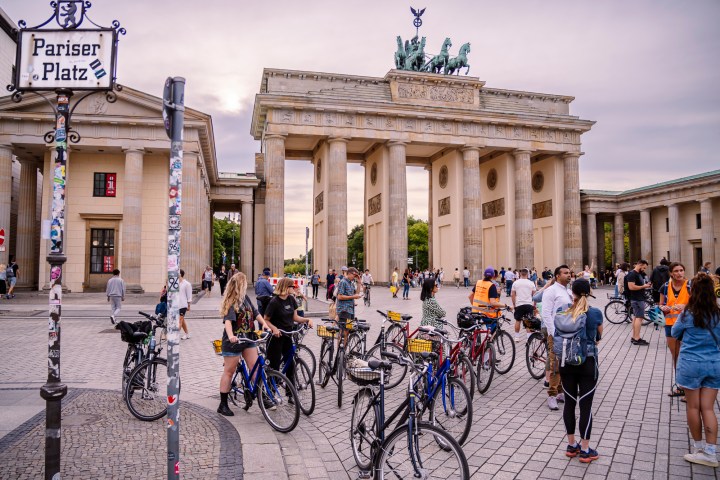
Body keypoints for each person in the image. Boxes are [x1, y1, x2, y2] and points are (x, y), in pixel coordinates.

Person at [671, 273, 720, 468]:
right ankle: (711, 452)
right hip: (714, 363)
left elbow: (675, 333)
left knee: (693, 407)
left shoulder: (687, 314)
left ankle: (698, 447)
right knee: (708, 408)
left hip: (691, 363)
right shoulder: (718, 313)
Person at [558, 279, 603, 464]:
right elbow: (599, 336)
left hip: (566, 363)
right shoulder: (595, 313)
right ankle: (585, 449)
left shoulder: (562, 311)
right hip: (587, 363)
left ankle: (571, 445)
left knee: (569, 404)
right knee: (585, 407)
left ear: (572, 292)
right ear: (589, 291)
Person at [217, 272, 269, 416]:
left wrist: (264, 324)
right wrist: (231, 336)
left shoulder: (245, 298)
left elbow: (256, 313)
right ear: (241, 284)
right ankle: (223, 404)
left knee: (255, 367)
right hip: (234, 342)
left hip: (249, 338)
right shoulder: (232, 300)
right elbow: (228, 322)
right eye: (245, 283)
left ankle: (262, 396)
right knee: (229, 371)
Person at [264, 278, 313, 389]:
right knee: (274, 365)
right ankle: (271, 391)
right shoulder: (274, 302)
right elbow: (265, 319)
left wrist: (307, 320)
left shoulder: (291, 299)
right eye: (292, 286)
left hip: (287, 335)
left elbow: (295, 317)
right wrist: (274, 329)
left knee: (290, 364)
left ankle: (291, 393)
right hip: (276, 337)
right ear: (286, 287)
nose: (294, 288)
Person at [541, 265, 573, 411]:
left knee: (563, 363)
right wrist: (553, 333)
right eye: (565, 273)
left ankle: (560, 392)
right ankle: (552, 395)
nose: (569, 275)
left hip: (568, 332)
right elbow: (546, 314)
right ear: (557, 276)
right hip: (556, 333)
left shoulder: (568, 291)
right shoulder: (550, 291)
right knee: (554, 365)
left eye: (569, 273)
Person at [660, 261, 690, 397]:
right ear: (671, 273)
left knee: (686, 355)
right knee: (676, 356)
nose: (679, 273)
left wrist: (685, 307)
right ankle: (680, 386)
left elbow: (698, 303)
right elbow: (660, 304)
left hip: (687, 324)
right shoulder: (665, 286)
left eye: (681, 270)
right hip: (670, 324)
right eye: (676, 271)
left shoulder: (691, 285)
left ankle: (689, 388)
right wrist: (663, 307)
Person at [625, 259, 653, 346]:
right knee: (639, 318)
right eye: (644, 268)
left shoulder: (638, 274)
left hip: (638, 298)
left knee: (636, 318)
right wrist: (643, 286)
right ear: (640, 264)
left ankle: (634, 337)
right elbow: (631, 287)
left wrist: (645, 285)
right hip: (637, 299)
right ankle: (637, 338)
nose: (644, 270)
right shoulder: (632, 274)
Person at [511, 268, 537, 342]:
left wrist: (514, 304)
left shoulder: (515, 283)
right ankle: (529, 337)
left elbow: (513, 295)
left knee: (518, 320)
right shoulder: (531, 283)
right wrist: (534, 304)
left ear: (520, 274)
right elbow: (534, 295)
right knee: (528, 320)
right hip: (528, 304)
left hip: (519, 304)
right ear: (528, 274)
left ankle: (517, 337)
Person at [178, 269, 193, 340]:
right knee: (182, 320)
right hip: (176, 305)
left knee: (179, 320)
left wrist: (189, 305)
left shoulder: (187, 284)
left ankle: (174, 336)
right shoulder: (175, 284)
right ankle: (187, 334)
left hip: (183, 305)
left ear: (180, 274)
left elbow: (189, 295)